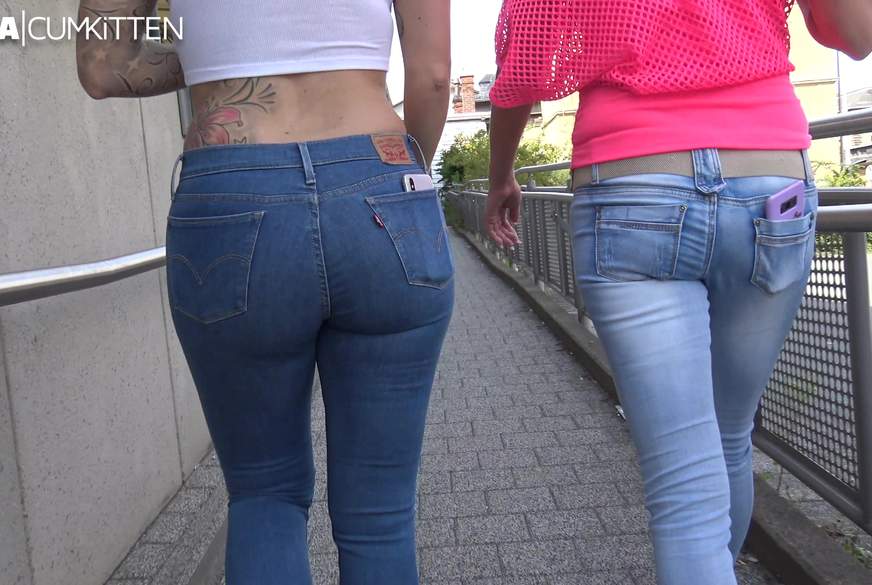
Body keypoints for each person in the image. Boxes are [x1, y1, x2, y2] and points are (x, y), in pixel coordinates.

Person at [485, 1, 872, 584]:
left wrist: (501, 175)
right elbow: (859, 35)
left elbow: (523, 61)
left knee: (684, 482)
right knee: (731, 435)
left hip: (631, 180)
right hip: (768, 178)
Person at [76, 1, 452, 584]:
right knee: (381, 515)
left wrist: (211, 51)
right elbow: (431, 77)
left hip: (231, 188)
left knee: (262, 493)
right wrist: (400, 184)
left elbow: (102, 66)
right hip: (378, 183)